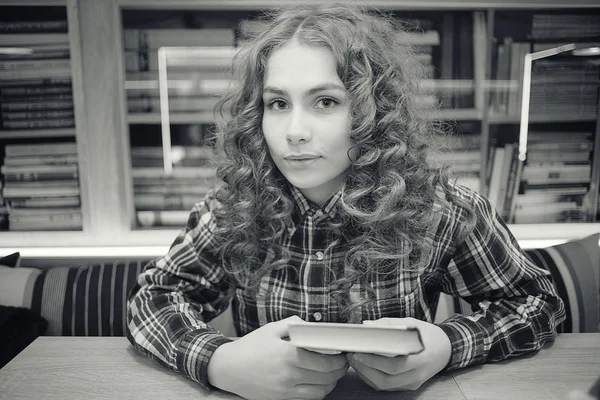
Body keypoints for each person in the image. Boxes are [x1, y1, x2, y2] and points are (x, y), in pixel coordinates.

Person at [126, 3, 566, 400]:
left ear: (374, 110)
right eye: (277, 103)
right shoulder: (230, 209)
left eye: (325, 101)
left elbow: (538, 303)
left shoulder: (444, 211)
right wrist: (218, 362)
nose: (294, 131)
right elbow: (153, 299)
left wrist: (447, 345)